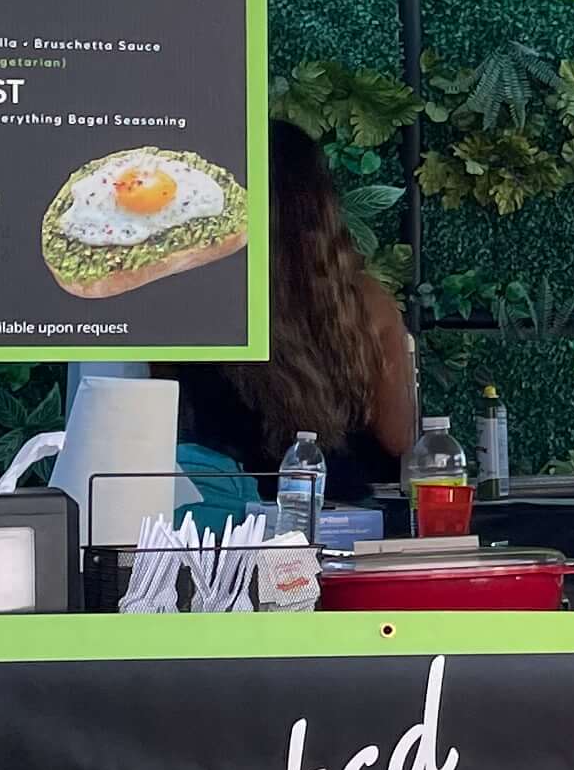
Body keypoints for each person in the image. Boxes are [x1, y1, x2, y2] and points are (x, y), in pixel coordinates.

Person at [177, 120, 420, 499]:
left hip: (227, 522)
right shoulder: (366, 301)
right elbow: (400, 438)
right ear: (321, 202)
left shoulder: (198, 302)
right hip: (346, 517)